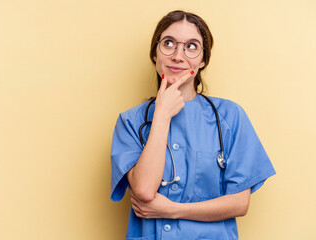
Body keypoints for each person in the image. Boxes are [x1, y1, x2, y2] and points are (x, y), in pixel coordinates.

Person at [110, 10, 275, 240]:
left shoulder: (230, 117)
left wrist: (172, 210)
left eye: (191, 46)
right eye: (168, 44)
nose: (178, 56)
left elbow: (239, 203)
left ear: (203, 59)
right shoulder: (130, 122)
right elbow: (144, 190)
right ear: (155, 54)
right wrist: (162, 115)